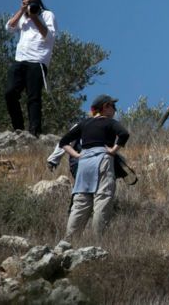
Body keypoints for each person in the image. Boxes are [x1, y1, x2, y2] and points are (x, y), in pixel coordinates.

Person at [59, 94, 130, 240]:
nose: (115, 110)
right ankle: (98, 240)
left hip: (84, 162)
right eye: (113, 106)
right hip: (102, 159)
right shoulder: (109, 122)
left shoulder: (85, 123)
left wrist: (77, 155)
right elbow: (124, 134)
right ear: (105, 107)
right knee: (102, 199)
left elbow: (64, 141)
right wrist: (113, 151)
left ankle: (69, 241)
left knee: (80, 202)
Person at [4, 0, 58, 137]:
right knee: (10, 93)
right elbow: (9, 28)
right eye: (24, 1)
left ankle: (35, 131)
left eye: (30, 1)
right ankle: (18, 128)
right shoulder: (22, 16)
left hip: (38, 61)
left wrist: (34, 16)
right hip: (20, 59)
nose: (27, 3)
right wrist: (22, 11)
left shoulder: (47, 15)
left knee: (33, 97)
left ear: (37, 0)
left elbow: (49, 36)